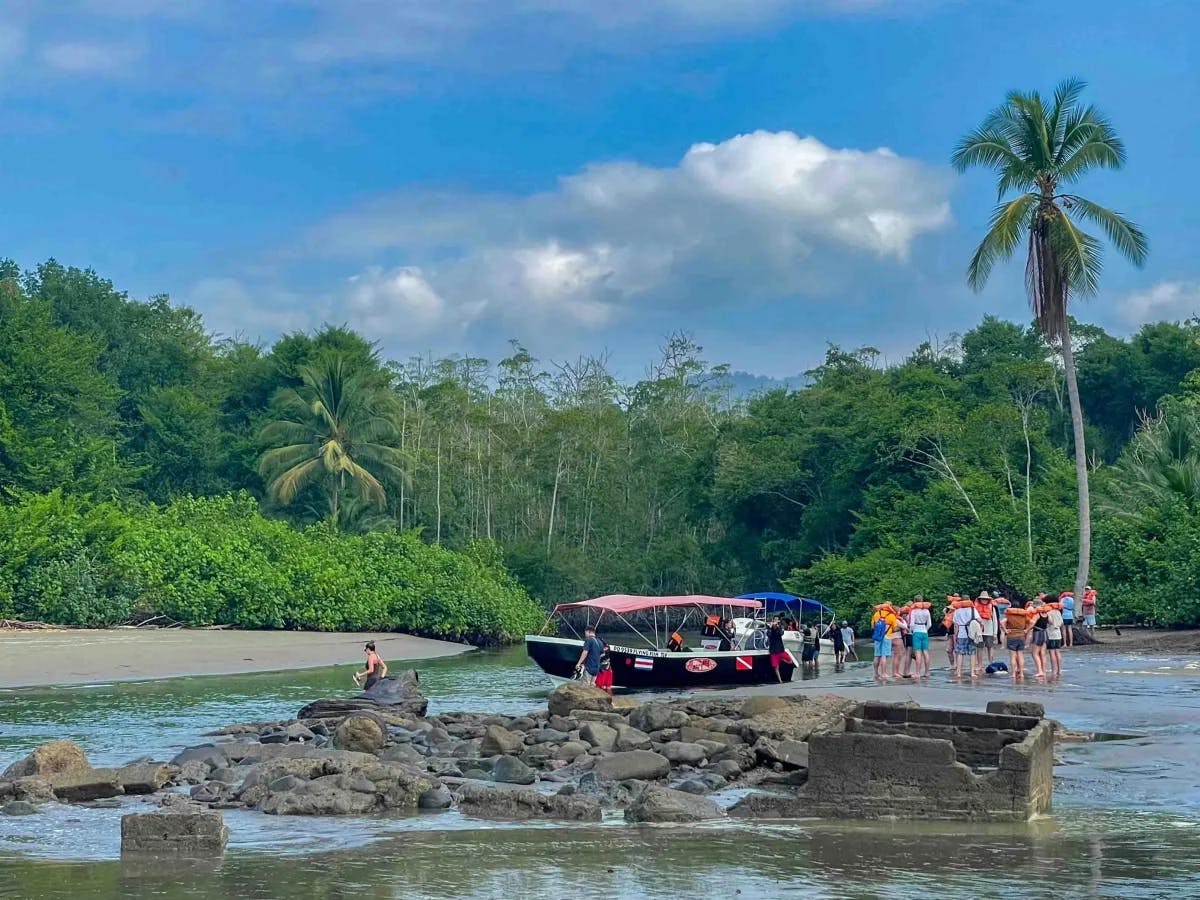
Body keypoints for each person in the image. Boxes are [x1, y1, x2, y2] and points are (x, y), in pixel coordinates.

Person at [952, 599, 980, 678]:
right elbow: (979, 620)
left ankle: (959, 673)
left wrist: (956, 635)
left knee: (960, 653)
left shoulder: (957, 611)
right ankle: (972, 673)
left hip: (961, 634)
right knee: (973, 653)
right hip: (972, 634)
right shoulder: (973, 609)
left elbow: (956, 625)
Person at [1004, 600, 1031, 679]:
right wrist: (1027, 630)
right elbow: (1032, 622)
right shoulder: (1023, 615)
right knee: (1020, 655)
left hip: (1012, 636)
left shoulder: (1009, 615)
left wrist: (1005, 630)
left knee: (1013, 656)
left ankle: (1013, 674)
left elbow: (1002, 622)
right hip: (1021, 636)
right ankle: (1022, 673)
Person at [908, 598, 932, 678]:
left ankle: (918, 673)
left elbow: (911, 624)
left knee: (918, 653)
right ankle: (927, 672)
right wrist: (926, 629)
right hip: (924, 632)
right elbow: (929, 624)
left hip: (916, 632)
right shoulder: (927, 611)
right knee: (925, 652)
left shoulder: (914, 611)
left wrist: (912, 631)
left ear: (915, 602)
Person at [871, 605, 895, 681]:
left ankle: (876, 673)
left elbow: (873, 626)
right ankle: (884, 673)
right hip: (887, 636)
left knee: (877, 655)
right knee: (884, 655)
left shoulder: (876, 614)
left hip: (877, 637)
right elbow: (894, 627)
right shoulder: (891, 615)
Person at [1028, 597, 1049, 679]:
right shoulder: (1046, 614)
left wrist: (1026, 630)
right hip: (1045, 633)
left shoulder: (1037, 614)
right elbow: (1050, 622)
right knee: (1043, 654)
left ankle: (1039, 671)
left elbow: (1032, 624)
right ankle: (1044, 671)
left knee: (1035, 653)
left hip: (1037, 633)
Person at [975, 592, 997, 665]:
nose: (984, 600)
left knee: (990, 647)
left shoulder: (992, 608)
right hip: (979, 632)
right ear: (980, 599)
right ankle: (979, 665)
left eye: (986, 599)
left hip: (989, 631)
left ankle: (991, 663)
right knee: (979, 648)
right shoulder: (975, 608)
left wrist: (995, 633)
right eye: (983, 599)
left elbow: (995, 621)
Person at [1045, 603, 1065, 678]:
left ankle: (1054, 671)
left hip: (1051, 634)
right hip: (1058, 634)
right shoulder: (1058, 612)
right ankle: (1059, 670)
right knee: (1057, 652)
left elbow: (1050, 621)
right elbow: (1062, 623)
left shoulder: (1048, 612)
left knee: (1052, 652)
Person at [767, 616, 787, 683]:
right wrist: (770, 627)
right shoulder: (770, 628)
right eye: (774, 620)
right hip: (773, 650)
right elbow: (769, 634)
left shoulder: (780, 627)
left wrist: (777, 627)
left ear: (778, 621)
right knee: (776, 667)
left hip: (780, 649)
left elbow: (781, 633)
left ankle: (781, 659)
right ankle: (780, 680)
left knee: (790, 660)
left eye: (776, 620)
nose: (775, 621)